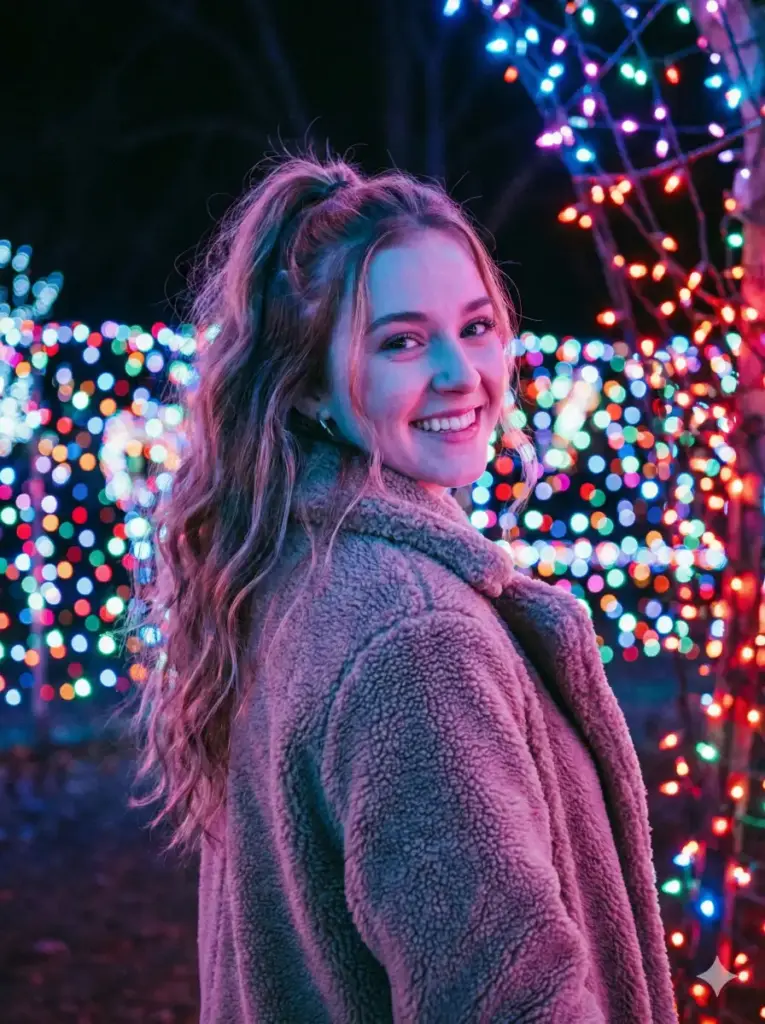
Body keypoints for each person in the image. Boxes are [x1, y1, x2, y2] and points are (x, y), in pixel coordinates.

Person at [128, 147, 679, 1022]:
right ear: (308, 384)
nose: (462, 376)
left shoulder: (289, 568)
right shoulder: (415, 640)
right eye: (402, 341)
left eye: (475, 325)